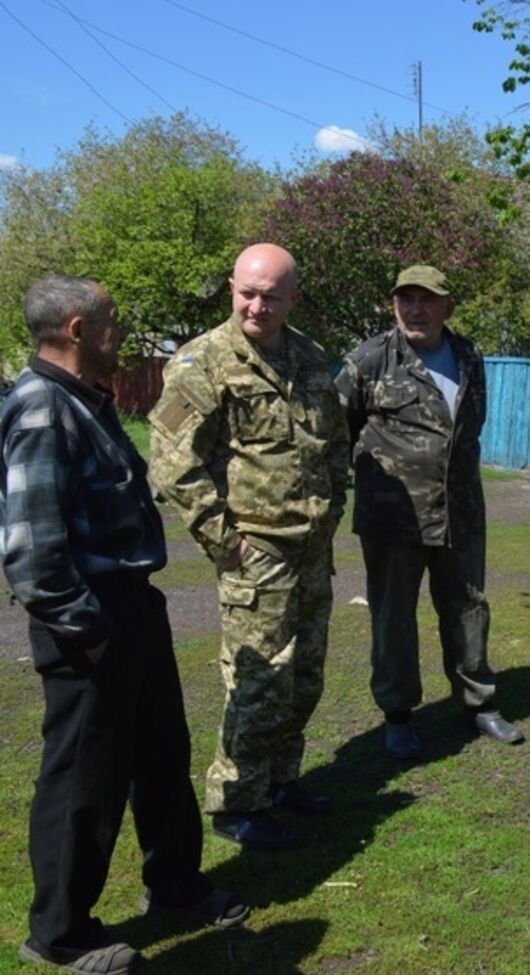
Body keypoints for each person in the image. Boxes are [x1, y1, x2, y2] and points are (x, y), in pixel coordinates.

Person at [1, 276, 248, 975]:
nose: (123, 330)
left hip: (132, 606)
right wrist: (91, 628)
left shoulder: (85, 399)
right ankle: (60, 932)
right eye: (113, 320)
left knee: (162, 754)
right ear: (78, 330)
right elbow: (30, 549)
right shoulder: (43, 409)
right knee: (84, 779)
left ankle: (173, 883)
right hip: (91, 616)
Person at [149, 243, 349, 850]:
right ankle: (237, 803)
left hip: (310, 548)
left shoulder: (310, 357)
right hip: (254, 549)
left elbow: (334, 440)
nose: (256, 305)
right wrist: (224, 542)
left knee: (304, 678)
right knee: (259, 682)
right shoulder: (202, 362)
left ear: (294, 298)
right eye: (246, 293)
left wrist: (332, 509)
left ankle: (281, 782)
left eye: (270, 295)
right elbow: (173, 464)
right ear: (232, 289)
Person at [336, 265, 523, 761]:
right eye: (406, 299)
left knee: (467, 609)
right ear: (394, 305)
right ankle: (398, 715)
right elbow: (337, 429)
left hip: (459, 509)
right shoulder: (370, 359)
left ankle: (478, 702)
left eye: (426, 299)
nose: (415, 309)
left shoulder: (468, 356)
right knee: (394, 616)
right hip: (392, 517)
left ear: (447, 307)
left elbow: (472, 424)